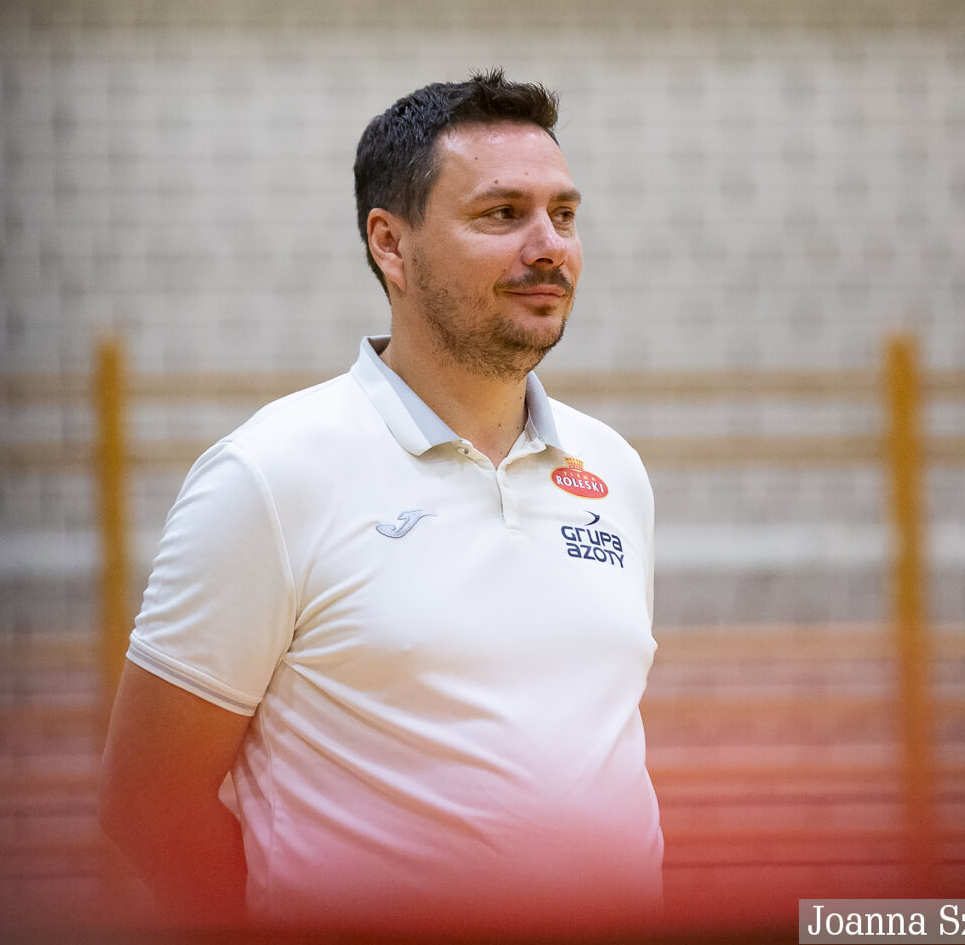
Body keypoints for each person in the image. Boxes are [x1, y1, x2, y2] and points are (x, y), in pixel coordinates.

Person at [98, 71, 663, 934]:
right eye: (502, 214)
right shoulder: (269, 474)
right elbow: (147, 802)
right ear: (391, 245)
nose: (549, 246)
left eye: (564, 214)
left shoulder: (612, 469)